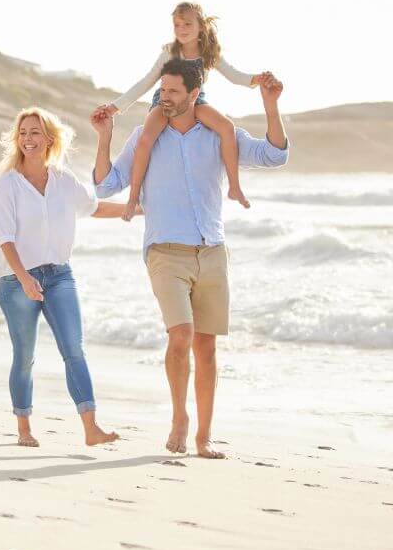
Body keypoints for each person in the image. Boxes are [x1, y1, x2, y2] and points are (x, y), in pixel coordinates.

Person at [92, 58, 289, 458]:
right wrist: (104, 137)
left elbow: (273, 156)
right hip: (166, 250)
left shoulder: (219, 133)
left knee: (207, 347)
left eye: (173, 92)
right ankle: (179, 417)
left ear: (194, 94)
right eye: (162, 91)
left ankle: (204, 436)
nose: (165, 99)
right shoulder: (147, 136)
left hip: (212, 249)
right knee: (180, 335)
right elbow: (104, 186)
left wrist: (270, 105)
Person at [0, 107, 129, 448]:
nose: (28, 139)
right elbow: (4, 238)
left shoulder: (63, 180)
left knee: (74, 349)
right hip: (16, 280)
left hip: (59, 276)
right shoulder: (8, 184)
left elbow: (94, 208)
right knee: (25, 356)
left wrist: (135, 208)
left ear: (49, 139)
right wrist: (24, 278)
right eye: (23, 133)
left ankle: (91, 427)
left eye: (35, 132)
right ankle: (24, 427)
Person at [94, 2, 267, 219]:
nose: (182, 29)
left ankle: (234, 187)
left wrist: (256, 80)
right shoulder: (169, 52)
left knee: (226, 127)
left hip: (195, 101)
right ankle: (133, 198)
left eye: (187, 24)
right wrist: (115, 106)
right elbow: (147, 81)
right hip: (163, 101)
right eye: (177, 25)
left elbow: (234, 75)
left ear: (201, 27)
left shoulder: (209, 53)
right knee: (145, 140)